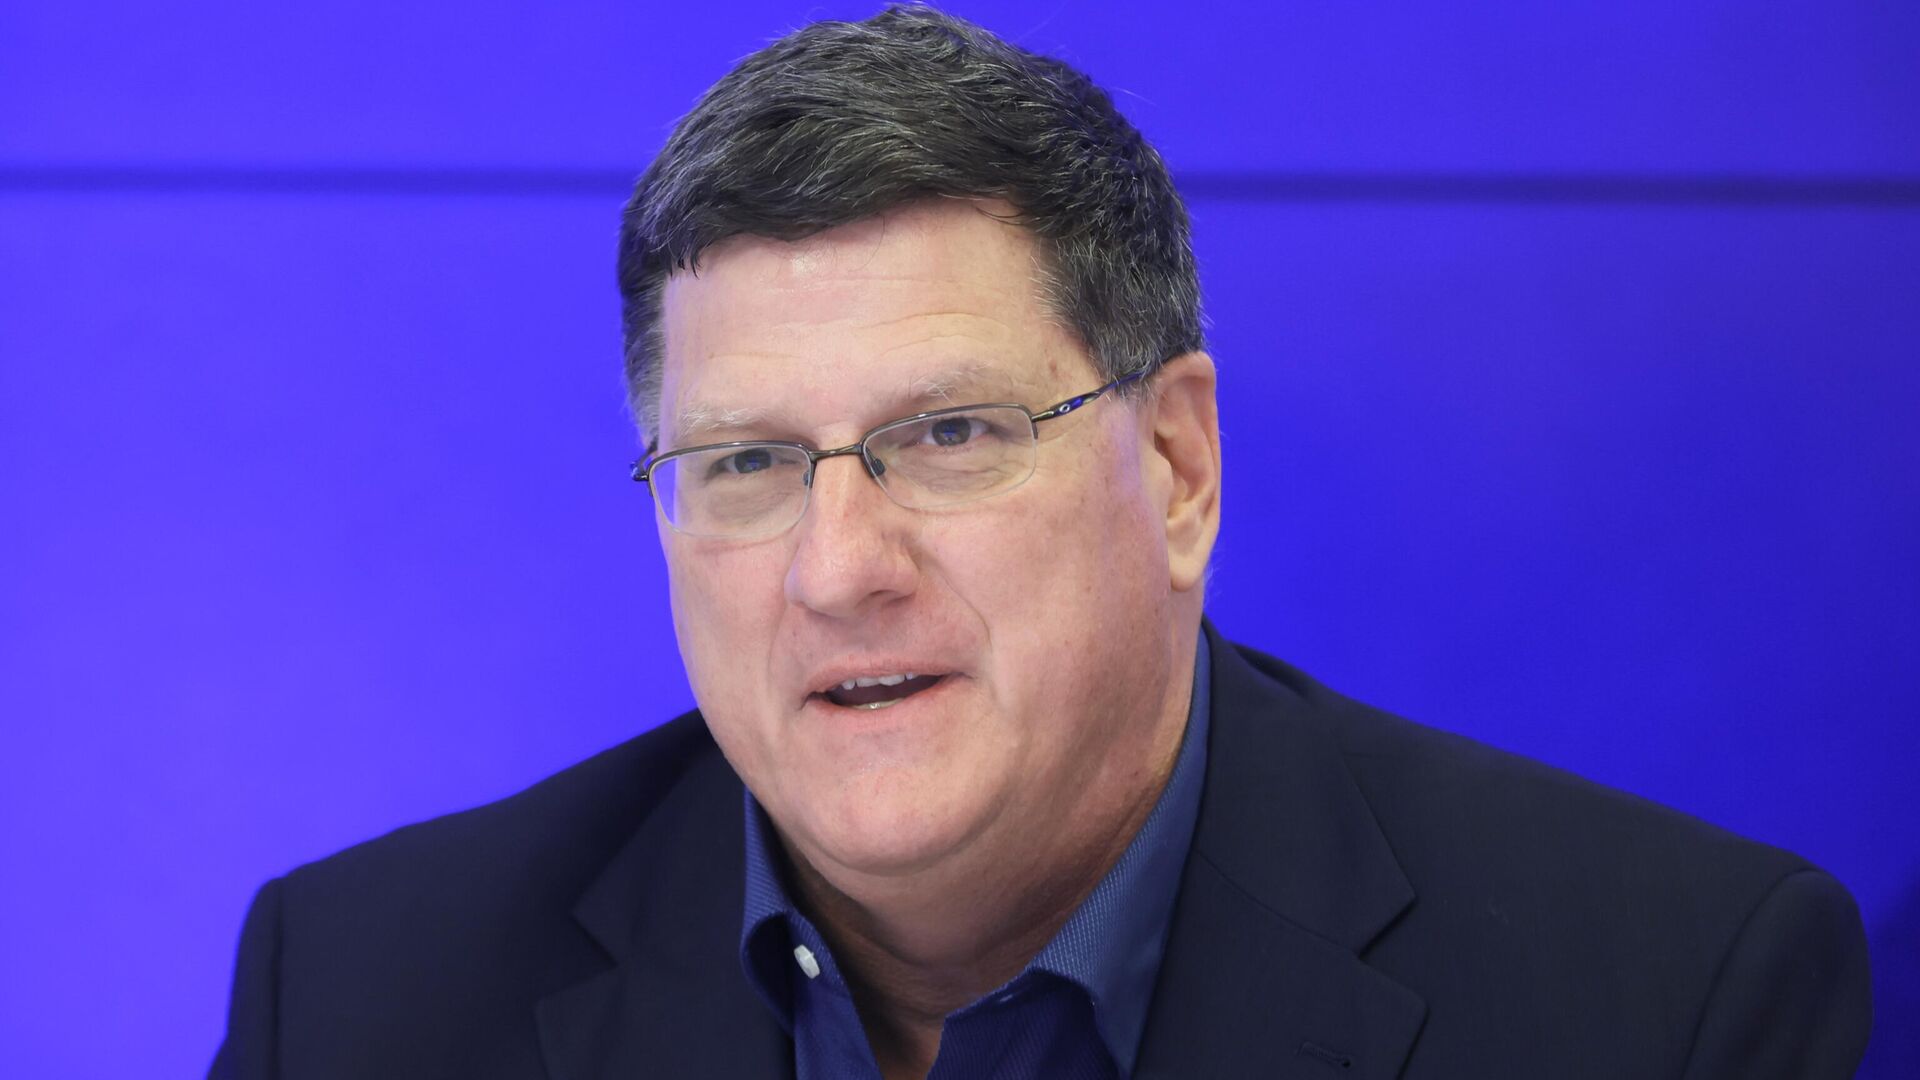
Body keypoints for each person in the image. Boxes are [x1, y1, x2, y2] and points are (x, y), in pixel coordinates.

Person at [210, 6, 1872, 1078]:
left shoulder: (1664, 1001)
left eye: (949, 435)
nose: (837, 567)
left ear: (1179, 469)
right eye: (747, 463)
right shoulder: (361, 999)